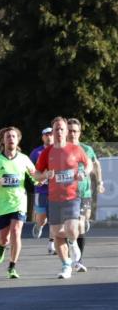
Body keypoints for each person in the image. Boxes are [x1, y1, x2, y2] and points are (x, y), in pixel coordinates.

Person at [34, 116, 90, 279]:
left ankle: (72, 243)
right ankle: (66, 265)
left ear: (66, 132)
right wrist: (45, 174)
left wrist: (83, 173)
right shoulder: (47, 152)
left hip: (72, 196)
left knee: (72, 229)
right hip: (54, 198)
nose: (59, 131)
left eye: (61, 129)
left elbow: (88, 164)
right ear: (53, 132)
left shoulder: (75, 149)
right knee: (57, 233)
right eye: (56, 129)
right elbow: (37, 175)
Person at [0, 127, 37, 278]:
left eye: (13, 136)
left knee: (16, 231)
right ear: (2, 140)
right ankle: (2, 246)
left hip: (19, 202)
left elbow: (34, 176)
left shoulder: (24, 159)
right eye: (8, 136)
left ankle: (12, 267)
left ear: (18, 140)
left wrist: (41, 180)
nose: (11, 138)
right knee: (4, 237)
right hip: (3, 204)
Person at [66, 118, 104, 273]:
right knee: (69, 228)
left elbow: (96, 164)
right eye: (69, 131)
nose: (72, 133)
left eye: (75, 131)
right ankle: (71, 249)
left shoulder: (86, 149)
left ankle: (79, 260)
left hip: (84, 193)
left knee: (81, 225)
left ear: (79, 133)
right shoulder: (61, 149)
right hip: (66, 194)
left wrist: (100, 182)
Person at [29, 127, 53, 242]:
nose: (49, 136)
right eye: (46, 135)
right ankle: (39, 225)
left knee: (55, 218)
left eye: (51, 134)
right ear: (43, 137)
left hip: (56, 190)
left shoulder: (59, 151)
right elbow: (29, 170)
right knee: (42, 219)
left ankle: (52, 244)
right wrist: (37, 179)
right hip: (41, 190)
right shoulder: (36, 152)